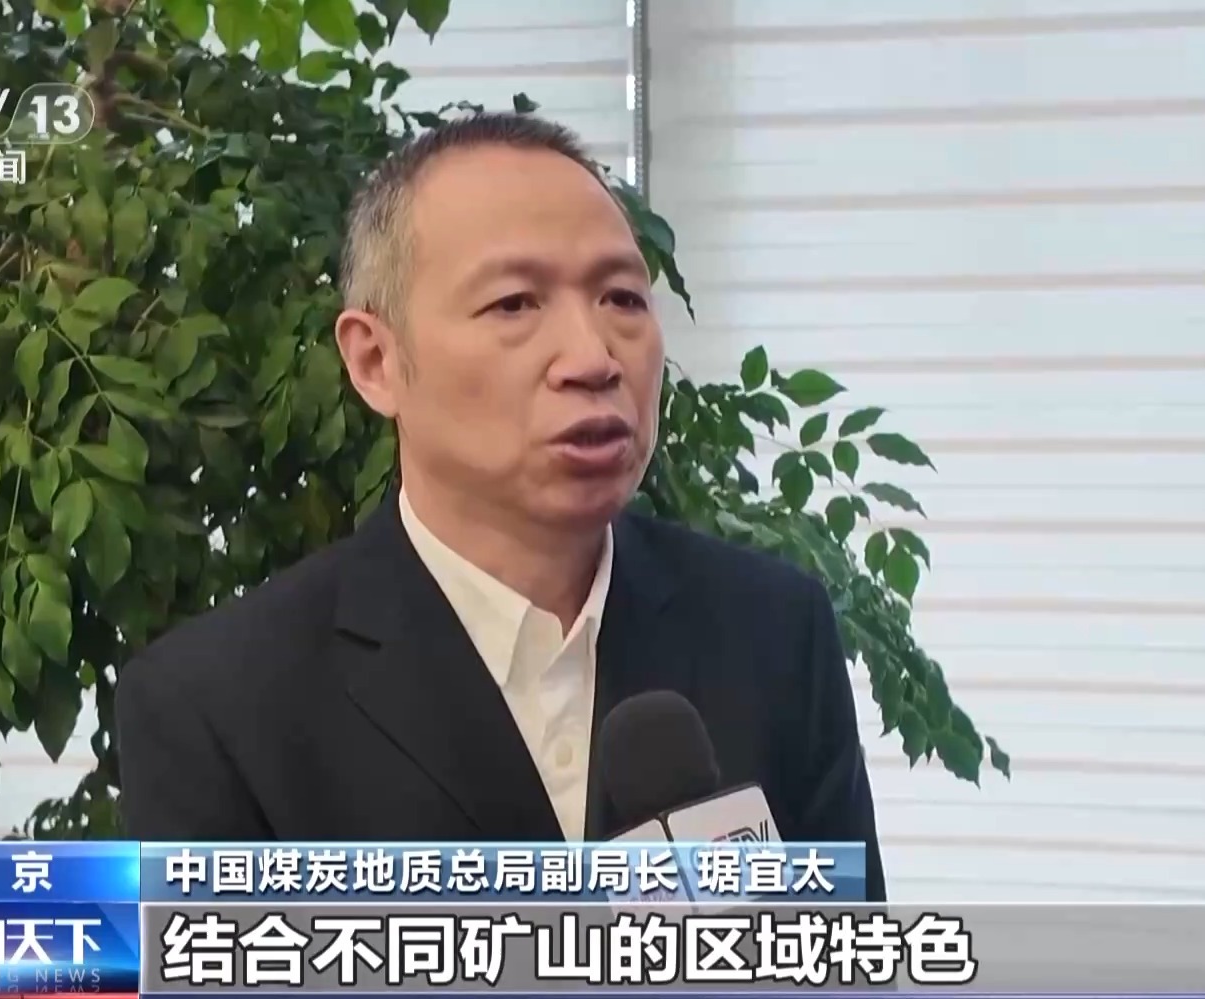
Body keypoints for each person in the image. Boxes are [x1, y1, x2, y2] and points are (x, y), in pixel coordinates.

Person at [113, 112, 885, 900]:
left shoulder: (772, 632)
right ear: (375, 360)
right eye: (514, 304)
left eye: (622, 297)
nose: (592, 358)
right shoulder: (216, 706)